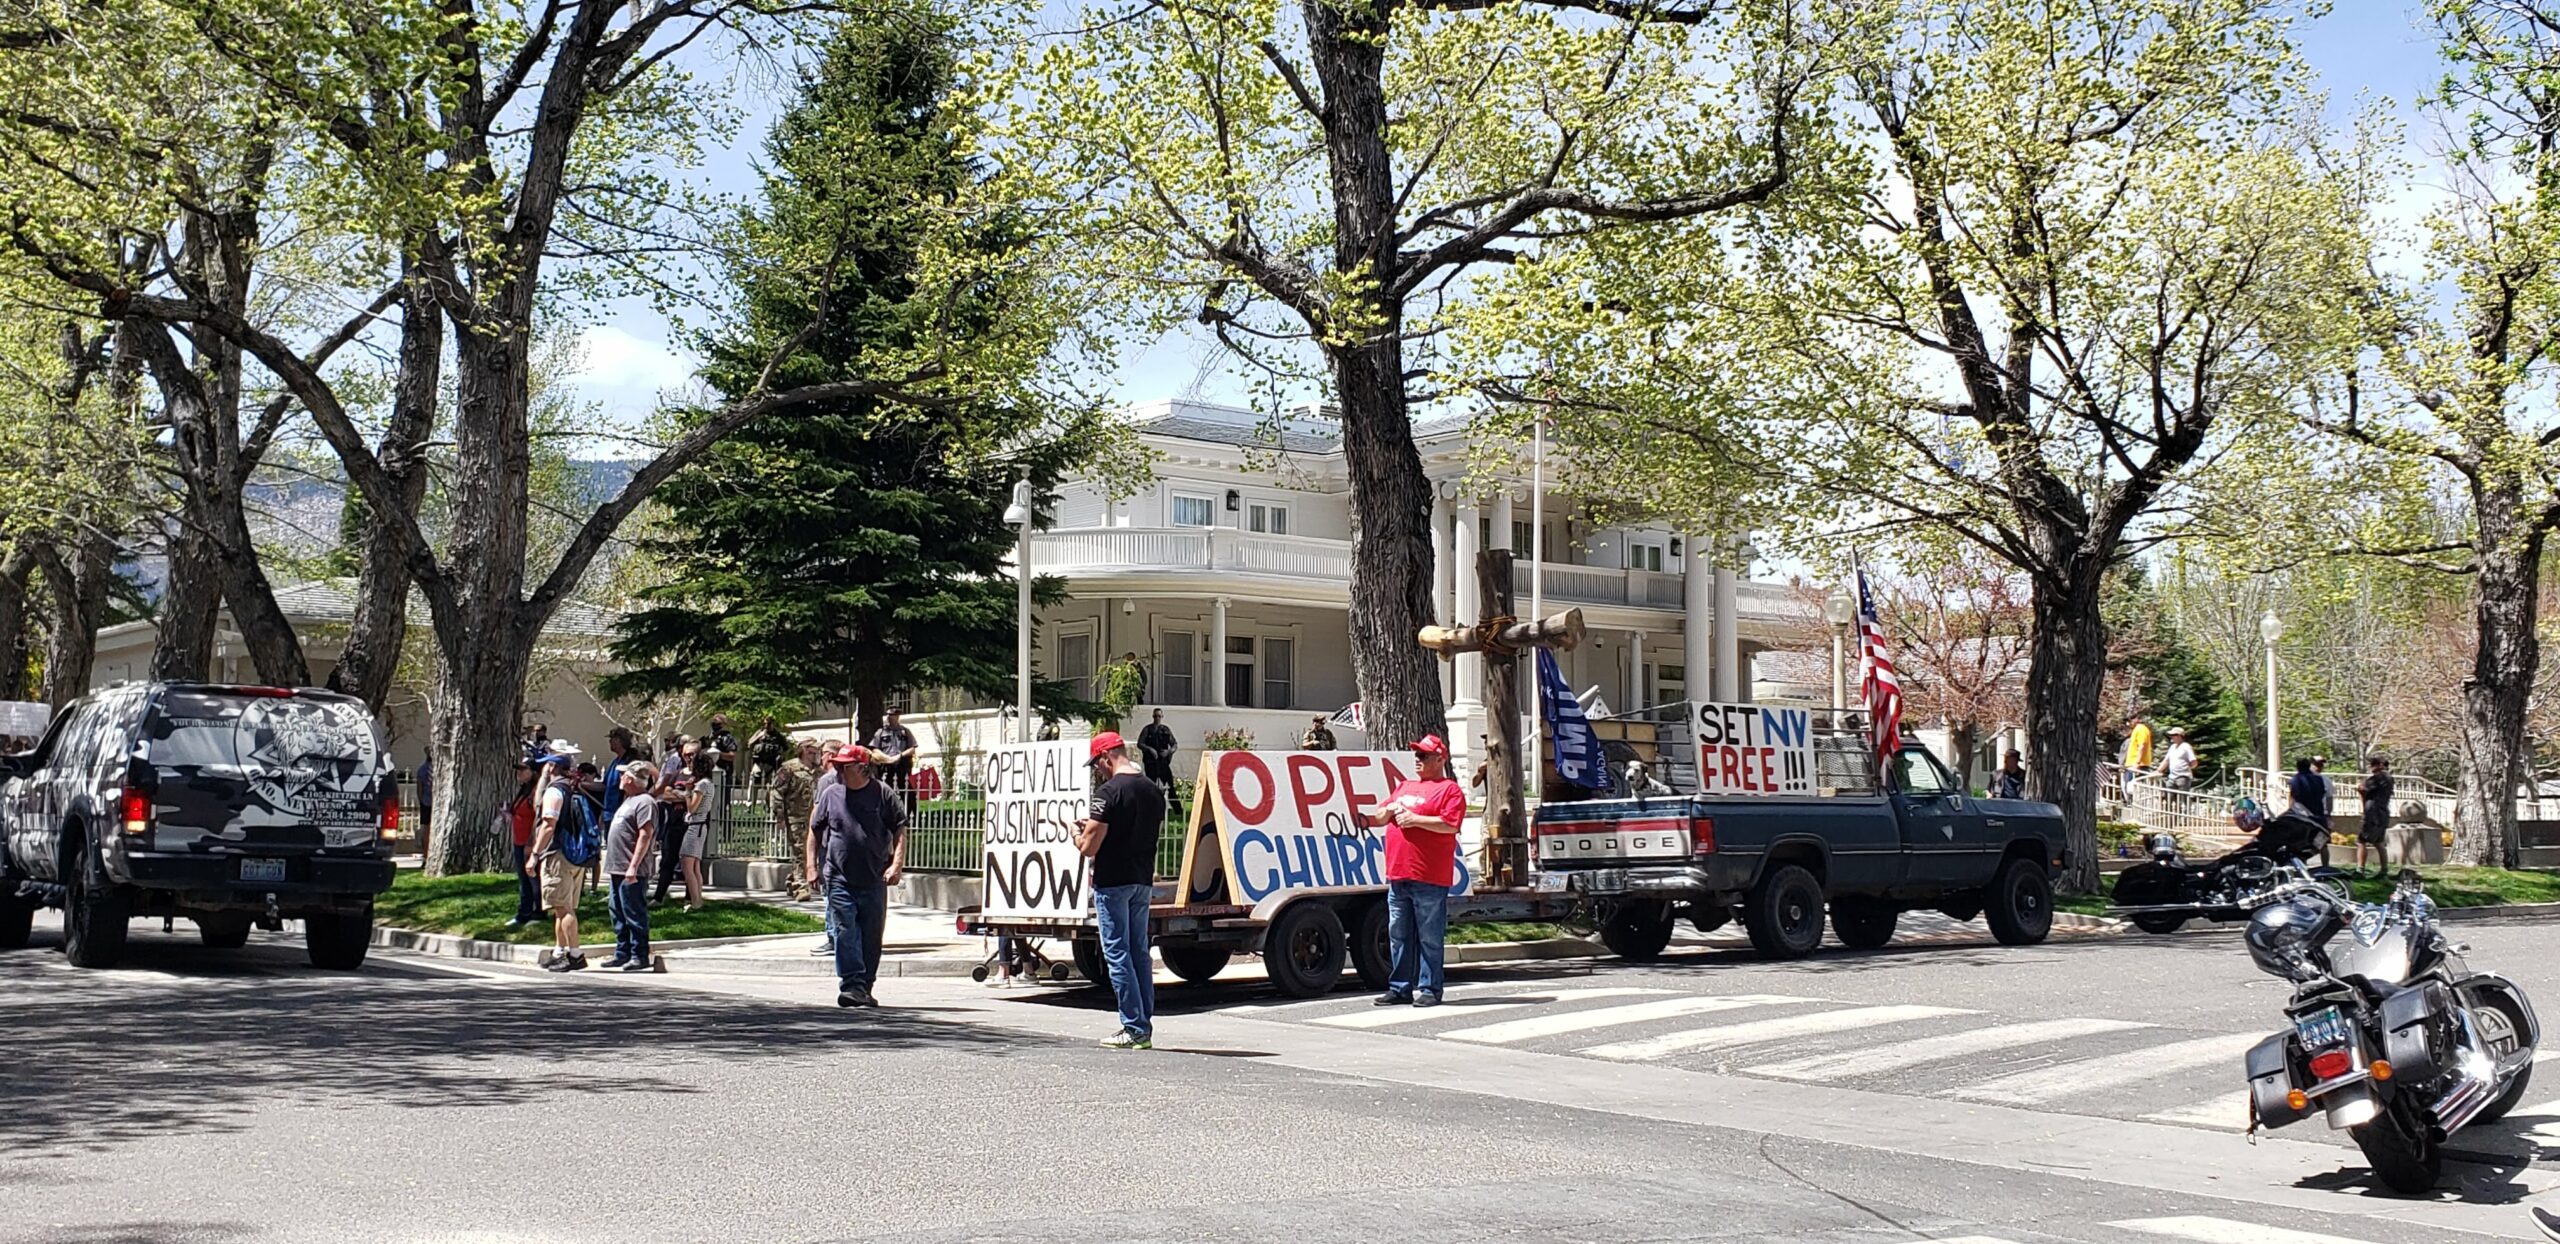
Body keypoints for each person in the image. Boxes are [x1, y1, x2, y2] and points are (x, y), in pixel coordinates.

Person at [1365, 734, 1466, 1009]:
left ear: (1439, 759)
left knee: (1429, 937)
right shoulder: (1405, 786)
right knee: (1398, 934)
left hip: (1429, 877)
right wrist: (1385, 811)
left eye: (1423, 756)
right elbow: (1380, 813)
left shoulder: (1449, 790)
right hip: (1398, 874)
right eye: (1416, 755)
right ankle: (1399, 988)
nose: (1417, 760)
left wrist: (1415, 819)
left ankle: (1430, 989)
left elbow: (1450, 824)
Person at [1076, 732, 1164, 1049]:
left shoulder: (1108, 792)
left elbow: (1089, 846)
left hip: (1113, 881)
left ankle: (1134, 1026)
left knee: (1117, 953)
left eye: (1098, 764)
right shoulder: (1153, 791)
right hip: (1142, 880)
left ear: (1106, 757)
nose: (1098, 770)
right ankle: (1144, 1024)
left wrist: (1077, 832)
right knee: (1139, 952)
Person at [813, 744, 907, 1007]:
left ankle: (865, 986)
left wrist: (896, 865)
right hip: (838, 876)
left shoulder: (883, 794)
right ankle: (851, 984)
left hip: (875, 876)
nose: (839, 770)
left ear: (862, 767)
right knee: (845, 930)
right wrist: (812, 866)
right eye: (838, 765)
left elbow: (900, 829)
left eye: (845, 766)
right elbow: (815, 830)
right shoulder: (831, 794)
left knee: (871, 934)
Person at [523, 747, 586, 972]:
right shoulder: (572, 789)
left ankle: (575, 954)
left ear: (552, 767)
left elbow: (548, 825)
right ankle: (559, 950)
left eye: (547, 765)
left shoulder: (553, 792)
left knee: (564, 908)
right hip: (574, 855)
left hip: (557, 855)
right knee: (560, 907)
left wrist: (535, 855)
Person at [600, 761, 660, 972]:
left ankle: (639, 954)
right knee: (617, 910)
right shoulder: (628, 800)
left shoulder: (645, 802)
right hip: (617, 867)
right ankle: (622, 952)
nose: (620, 778)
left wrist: (633, 866)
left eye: (624, 774)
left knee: (633, 911)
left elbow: (645, 834)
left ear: (632, 779)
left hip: (630, 869)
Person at [770, 739, 822, 900]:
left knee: (811, 851)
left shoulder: (819, 771)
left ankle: (793, 879)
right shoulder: (789, 768)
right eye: (812, 751)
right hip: (795, 816)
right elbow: (776, 792)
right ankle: (801, 886)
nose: (815, 754)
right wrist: (780, 816)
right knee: (800, 851)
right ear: (805, 750)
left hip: (814, 818)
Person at [651, 745, 697, 903]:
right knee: (667, 861)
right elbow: (666, 794)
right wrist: (687, 795)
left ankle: (690, 899)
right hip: (674, 822)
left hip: (693, 825)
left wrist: (679, 794)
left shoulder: (703, 777)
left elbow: (699, 801)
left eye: (692, 754)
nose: (689, 758)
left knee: (689, 863)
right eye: (686, 754)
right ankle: (658, 897)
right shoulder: (677, 774)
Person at [677, 747, 720, 911]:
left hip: (695, 826)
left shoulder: (701, 785)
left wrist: (687, 792)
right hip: (702, 826)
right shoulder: (709, 783)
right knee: (695, 866)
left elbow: (692, 808)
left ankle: (695, 901)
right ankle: (698, 900)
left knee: (687, 865)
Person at [502, 758, 542, 928]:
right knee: (523, 879)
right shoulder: (523, 790)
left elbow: (537, 818)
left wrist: (532, 842)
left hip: (529, 842)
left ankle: (536, 912)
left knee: (532, 879)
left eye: (523, 769)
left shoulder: (535, 792)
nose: (519, 773)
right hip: (518, 840)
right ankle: (525, 912)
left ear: (533, 771)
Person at [869, 709, 919, 809]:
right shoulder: (881, 732)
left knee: (907, 792)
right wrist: (887, 758)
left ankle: (910, 815)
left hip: (901, 765)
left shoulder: (905, 731)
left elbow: (912, 748)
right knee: (886, 790)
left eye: (893, 715)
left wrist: (899, 756)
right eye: (889, 715)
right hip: (886, 766)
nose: (890, 717)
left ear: (898, 716)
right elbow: (874, 749)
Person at [1137, 709, 1181, 813]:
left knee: (1169, 785)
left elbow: (1174, 744)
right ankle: (1149, 807)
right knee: (1150, 786)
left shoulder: (1165, 730)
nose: (1157, 718)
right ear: (1153, 716)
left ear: (1162, 717)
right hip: (1151, 763)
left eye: (1159, 716)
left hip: (1163, 763)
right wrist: (1150, 749)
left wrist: (1169, 752)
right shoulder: (1147, 729)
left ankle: (1177, 810)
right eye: (1155, 716)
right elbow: (1140, 743)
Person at [2358, 755, 2395, 876]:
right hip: (2383, 812)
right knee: (2379, 842)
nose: (2371, 766)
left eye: (2373, 764)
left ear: (2381, 765)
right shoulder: (2389, 779)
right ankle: (2384, 870)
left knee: (2361, 840)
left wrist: (2360, 791)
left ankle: (2360, 869)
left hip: (2373, 813)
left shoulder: (2377, 778)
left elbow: (2363, 789)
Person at [2289, 756, 2330, 831]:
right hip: (2318, 813)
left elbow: (2293, 797)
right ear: (2309, 766)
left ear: (2298, 767)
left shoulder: (2295, 779)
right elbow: (2323, 794)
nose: (2320, 767)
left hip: (2300, 813)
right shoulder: (2319, 779)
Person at [748, 715, 789, 788]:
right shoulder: (759, 733)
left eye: (769, 723)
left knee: (772, 783)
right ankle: (751, 799)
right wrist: (758, 737)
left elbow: (786, 748)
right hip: (759, 762)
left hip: (772, 763)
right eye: (765, 724)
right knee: (753, 778)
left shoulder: (778, 736)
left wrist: (781, 756)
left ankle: (769, 798)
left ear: (773, 724)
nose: (767, 726)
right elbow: (749, 744)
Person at [415, 755, 433, 838]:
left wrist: (420, 798)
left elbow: (419, 786)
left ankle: (423, 840)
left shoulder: (422, 769)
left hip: (425, 799)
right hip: (434, 800)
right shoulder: (437, 768)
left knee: (425, 823)